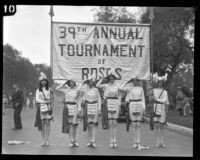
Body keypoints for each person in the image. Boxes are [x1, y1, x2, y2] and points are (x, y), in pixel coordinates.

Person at [96, 73, 121, 148]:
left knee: (115, 122)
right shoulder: (105, 86)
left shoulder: (117, 86)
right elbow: (97, 85)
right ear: (108, 79)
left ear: (114, 79)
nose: (111, 79)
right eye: (110, 78)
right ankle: (111, 141)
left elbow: (119, 96)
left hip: (115, 103)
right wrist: (102, 79)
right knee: (110, 122)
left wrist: (119, 105)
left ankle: (115, 140)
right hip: (108, 103)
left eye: (112, 78)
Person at [120, 77, 146, 150]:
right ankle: (135, 142)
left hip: (139, 105)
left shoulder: (141, 89)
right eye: (133, 81)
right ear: (132, 82)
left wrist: (144, 108)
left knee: (139, 124)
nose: (135, 82)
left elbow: (143, 98)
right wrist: (128, 82)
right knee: (134, 124)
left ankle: (139, 141)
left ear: (138, 81)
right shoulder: (129, 88)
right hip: (132, 105)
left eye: (136, 81)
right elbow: (121, 88)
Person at [55, 79, 82, 147]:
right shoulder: (66, 89)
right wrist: (64, 84)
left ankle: (75, 140)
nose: (72, 84)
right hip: (67, 107)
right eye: (70, 83)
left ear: (74, 83)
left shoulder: (77, 90)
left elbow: (79, 100)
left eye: (73, 82)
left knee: (74, 125)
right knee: (70, 125)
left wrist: (79, 109)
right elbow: (57, 88)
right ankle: (71, 140)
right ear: (69, 84)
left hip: (75, 107)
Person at [81, 76, 101, 148]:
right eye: (89, 82)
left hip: (94, 106)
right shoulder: (85, 90)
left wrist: (99, 109)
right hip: (87, 107)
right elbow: (81, 94)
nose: (90, 83)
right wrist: (83, 102)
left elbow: (99, 99)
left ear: (93, 83)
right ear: (87, 83)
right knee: (89, 124)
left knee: (94, 124)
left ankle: (93, 140)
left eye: (92, 82)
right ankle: (89, 141)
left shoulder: (96, 90)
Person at [35, 72, 54, 146]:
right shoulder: (37, 90)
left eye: (44, 80)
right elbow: (37, 100)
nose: (43, 82)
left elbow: (52, 99)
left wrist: (51, 102)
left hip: (48, 108)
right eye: (42, 81)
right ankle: (43, 140)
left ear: (46, 81)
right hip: (41, 109)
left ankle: (47, 140)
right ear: (40, 82)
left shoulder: (50, 89)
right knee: (42, 125)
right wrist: (45, 101)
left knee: (48, 124)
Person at [153, 79, 169, 148]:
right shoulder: (153, 90)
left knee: (161, 126)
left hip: (162, 108)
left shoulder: (165, 92)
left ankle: (162, 142)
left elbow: (164, 100)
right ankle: (157, 142)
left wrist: (156, 99)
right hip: (155, 108)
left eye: (161, 83)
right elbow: (151, 98)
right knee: (156, 125)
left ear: (163, 84)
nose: (160, 84)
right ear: (157, 83)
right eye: (159, 82)